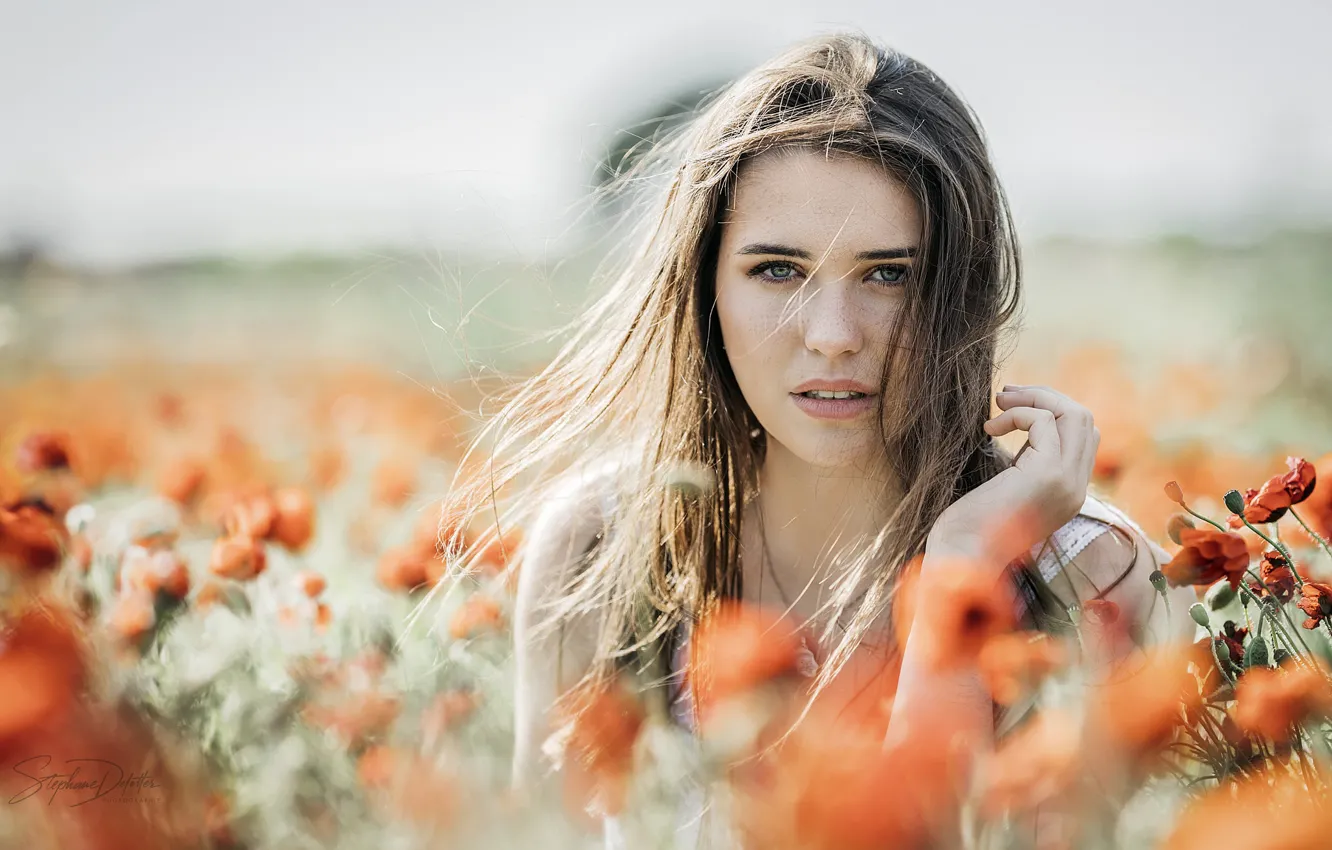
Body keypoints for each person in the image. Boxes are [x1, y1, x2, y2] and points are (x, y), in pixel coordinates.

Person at [437, 28, 1197, 848]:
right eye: (777, 269)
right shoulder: (600, 549)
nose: (833, 334)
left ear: (960, 294)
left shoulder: (1087, 576)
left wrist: (966, 564)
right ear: (705, 291)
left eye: (889, 274)